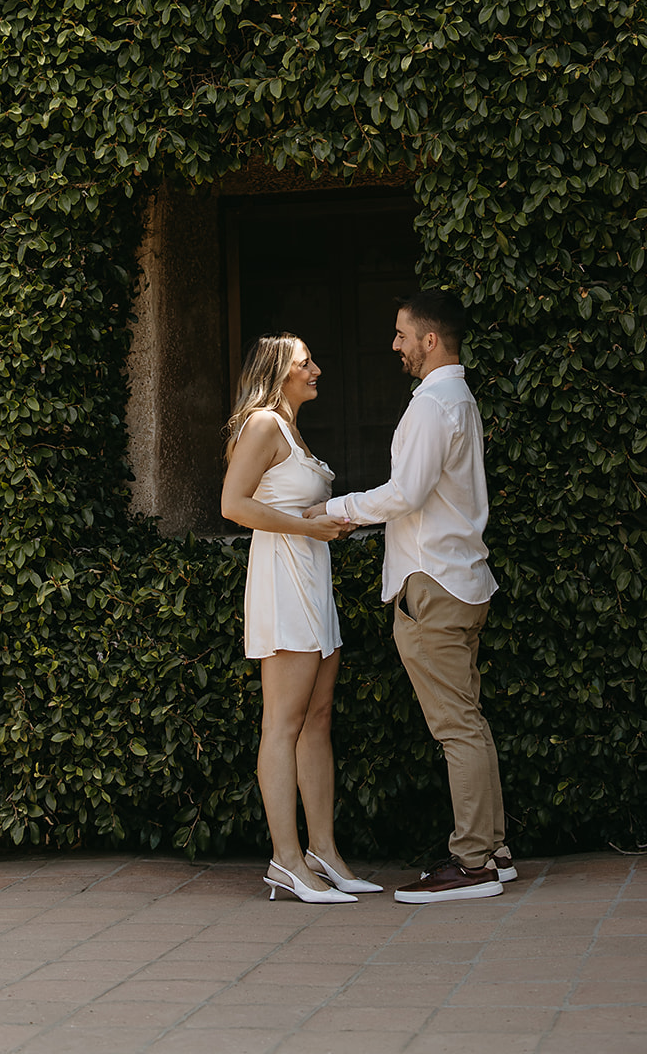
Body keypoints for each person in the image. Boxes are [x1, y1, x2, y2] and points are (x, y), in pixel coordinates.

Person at [304, 291, 514, 903]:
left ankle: (473, 862)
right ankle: (492, 851)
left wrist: (334, 510)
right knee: (468, 722)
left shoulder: (432, 405)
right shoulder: (460, 400)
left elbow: (405, 494)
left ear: (430, 340)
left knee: (456, 728)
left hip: (434, 584)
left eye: (401, 334)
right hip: (461, 580)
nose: (393, 344)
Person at [221, 332, 382, 905]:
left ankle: (324, 853)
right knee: (282, 725)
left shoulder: (290, 429)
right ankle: (285, 860)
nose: (316, 369)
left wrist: (321, 519)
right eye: (304, 362)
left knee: (317, 720)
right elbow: (232, 505)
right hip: (284, 584)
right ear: (279, 372)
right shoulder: (264, 423)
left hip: (314, 584)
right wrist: (309, 527)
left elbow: (285, 503)